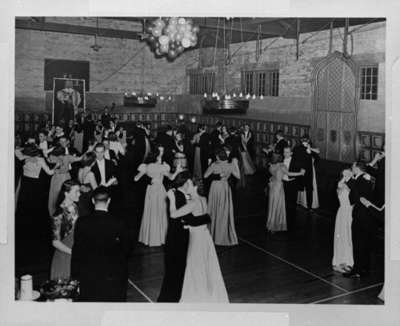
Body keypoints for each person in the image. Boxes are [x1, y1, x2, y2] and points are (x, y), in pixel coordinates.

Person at [167, 179, 229, 303]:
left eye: (188, 184)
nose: (185, 185)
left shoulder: (192, 203)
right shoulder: (202, 199)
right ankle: (208, 293)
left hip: (197, 239)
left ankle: (197, 296)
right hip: (205, 237)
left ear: (194, 186)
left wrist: (172, 199)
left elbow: (173, 214)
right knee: (207, 267)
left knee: (195, 267)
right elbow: (199, 217)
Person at [157, 171, 210, 302]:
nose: (189, 185)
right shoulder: (181, 196)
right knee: (182, 271)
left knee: (184, 270)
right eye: (188, 182)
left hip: (183, 238)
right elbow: (188, 218)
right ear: (185, 182)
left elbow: (188, 218)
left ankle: (177, 298)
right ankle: (173, 299)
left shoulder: (183, 196)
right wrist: (207, 218)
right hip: (179, 239)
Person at [71, 186, 130, 301]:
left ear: (93, 201)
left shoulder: (82, 222)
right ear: (109, 201)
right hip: (112, 276)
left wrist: (75, 278)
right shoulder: (118, 222)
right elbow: (126, 249)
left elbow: (77, 251)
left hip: (89, 275)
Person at [134, 146, 183, 246]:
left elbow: (136, 179)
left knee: (150, 211)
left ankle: (149, 238)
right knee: (160, 212)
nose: (162, 154)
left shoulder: (146, 166)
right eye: (160, 152)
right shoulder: (162, 167)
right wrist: (177, 170)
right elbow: (172, 177)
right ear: (157, 156)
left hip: (150, 191)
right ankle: (160, 238)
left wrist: (149, 179)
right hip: (160, 190)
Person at [343, 161, 374, 278]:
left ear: (357, 168)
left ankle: (357, 270)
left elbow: (358, 196)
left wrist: (349, 180)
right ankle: (363, 269)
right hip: (365, 216)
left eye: (353, 167)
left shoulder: (363, 179)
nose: (352, 168)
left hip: (361, 216)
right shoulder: (364, 178)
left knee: (358, 242)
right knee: (363, 243)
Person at [205, 149, 241, 246]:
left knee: (214, 209)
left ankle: (213, 233)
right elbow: (238, 176)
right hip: (225, 188)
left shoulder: (214, 165)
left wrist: (211, 166)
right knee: (223, 211)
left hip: (215, 188)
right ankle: (222, 234)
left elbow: (205, 176)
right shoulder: (230, 165)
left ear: (217, 156)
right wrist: (235, 164)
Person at [50, 180, 81, 280]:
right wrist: (73, 252)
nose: (79, 194)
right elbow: (55, 242)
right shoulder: (58, 214)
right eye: (76, 191)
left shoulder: (75, 207)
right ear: (66, 193)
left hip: (76, 251)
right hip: (65, 255)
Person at [266, 153, 304, 232]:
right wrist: (300, 173)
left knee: (272, 205)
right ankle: (274, 226)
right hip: (278, 187)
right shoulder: (282, 166)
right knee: (277, 206)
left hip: (273, 187)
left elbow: (274, 176)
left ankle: (271, 224)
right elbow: (289, 173)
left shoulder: (271, 166)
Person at [47, 146, 82, 217]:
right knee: (55, 196)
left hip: (65, 177)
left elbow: (80, 158)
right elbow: (49, 164)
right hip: (57, 177)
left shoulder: (67, 157)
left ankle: (66, 214)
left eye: (61, 155)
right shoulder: (52, 156)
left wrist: (89, 150)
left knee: (65, 196)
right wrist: (56, 166)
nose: (60, 157)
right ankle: (55, 214)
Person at [332, 169, 354, 273]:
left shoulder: (352, 184)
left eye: (349, 172)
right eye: (346, 173)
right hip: (343, 213)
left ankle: (348, 261)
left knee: (348, 237)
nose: (348, 174)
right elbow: (342, 186)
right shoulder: (341, 184)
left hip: (350, 213)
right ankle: (338, 262)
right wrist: (347, 179)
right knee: (341, 237)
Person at [293, 135, 320, 211]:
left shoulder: (299, 148)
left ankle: (309, 206)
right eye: (304, 140)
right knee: (303, 188)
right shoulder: (297, 148)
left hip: (306, 172)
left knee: (308, 189)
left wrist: (310, 150)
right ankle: (308, 206)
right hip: (303, 171)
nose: (305, 141)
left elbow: (317, 156)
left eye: (306, 140)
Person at [282, 146, 304, 233]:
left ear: (291, 153)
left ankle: (291, 223)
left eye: (287, 152)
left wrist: (302, 172)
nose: (285, 154)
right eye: (284, 152)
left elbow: (302, 168)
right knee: (284, 202)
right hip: (283, 183)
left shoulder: (295, 161)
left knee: (291, 203)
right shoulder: (281, 160)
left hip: (292, 184)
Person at [77, 152, 98, 217]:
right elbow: (96, 190)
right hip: (88, 199)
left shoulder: (80, 170)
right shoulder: (90, 174)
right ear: (93, 163)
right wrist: (108, 184)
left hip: (81, 197)